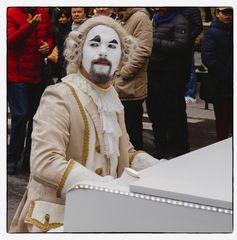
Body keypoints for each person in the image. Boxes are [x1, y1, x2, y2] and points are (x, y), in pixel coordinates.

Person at [9, 16, 159, 233]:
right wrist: (100, 185)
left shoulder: (112, 99)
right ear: (78, 53)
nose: (103, 52)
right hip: (60, 219)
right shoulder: (59, 95)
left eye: (112, 46)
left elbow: (123, 151)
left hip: (100, 215)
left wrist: (159, 166)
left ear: (122, 58)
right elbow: (45, 161)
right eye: (95, 44)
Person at [7, 7, 53, 174]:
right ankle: (12, 158)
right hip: (16, 75)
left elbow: (49, 36)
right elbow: (9, 41)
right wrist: (29, 27)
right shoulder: (10, 12)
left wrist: (48, 46)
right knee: (21, 116)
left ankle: (30, 160)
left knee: (37, 117)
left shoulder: (43, 12)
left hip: (37, 74)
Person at [146, 7, 191, 159]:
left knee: (174, 115)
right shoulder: (155, 18)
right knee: (156, 114)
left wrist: (153, 42)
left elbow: (180, 45)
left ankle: (179, 151)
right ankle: (161, 148)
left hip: (171, 77)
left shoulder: (179, 21)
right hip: (154, 74)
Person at [113, 7, 153, 150]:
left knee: (132, 133)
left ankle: (135, 167)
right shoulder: (120, 17)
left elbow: (143, 50)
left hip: (130, 86)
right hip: (117, 86)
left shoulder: (140, 18)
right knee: (119, 134)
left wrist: (123, 73)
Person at [201, 7, 233, 141]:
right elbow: (208, 58)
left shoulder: (232, 31)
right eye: (225, 13)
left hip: (229, 84)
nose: (228, 16)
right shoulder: (212, 33)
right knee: (222, 124)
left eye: (230, 12)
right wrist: (226, 74)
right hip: (220, 84)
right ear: (217, 13)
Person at [178, 7, 203, 103]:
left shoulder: (193, 9)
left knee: (190, 67)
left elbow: (199, 26)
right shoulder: (176, 9)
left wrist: (189, 38)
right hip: (177, 40)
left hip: (187, 42)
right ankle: (182, 92)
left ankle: (190, 94)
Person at [57, 7, 88, 80]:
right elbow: (60, 49)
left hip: (83, 69)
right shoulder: (64, 27)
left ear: (85, 13)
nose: (76, 14)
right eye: (74, 12)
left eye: (79, 12)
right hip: (66, 68)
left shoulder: (89, 28)